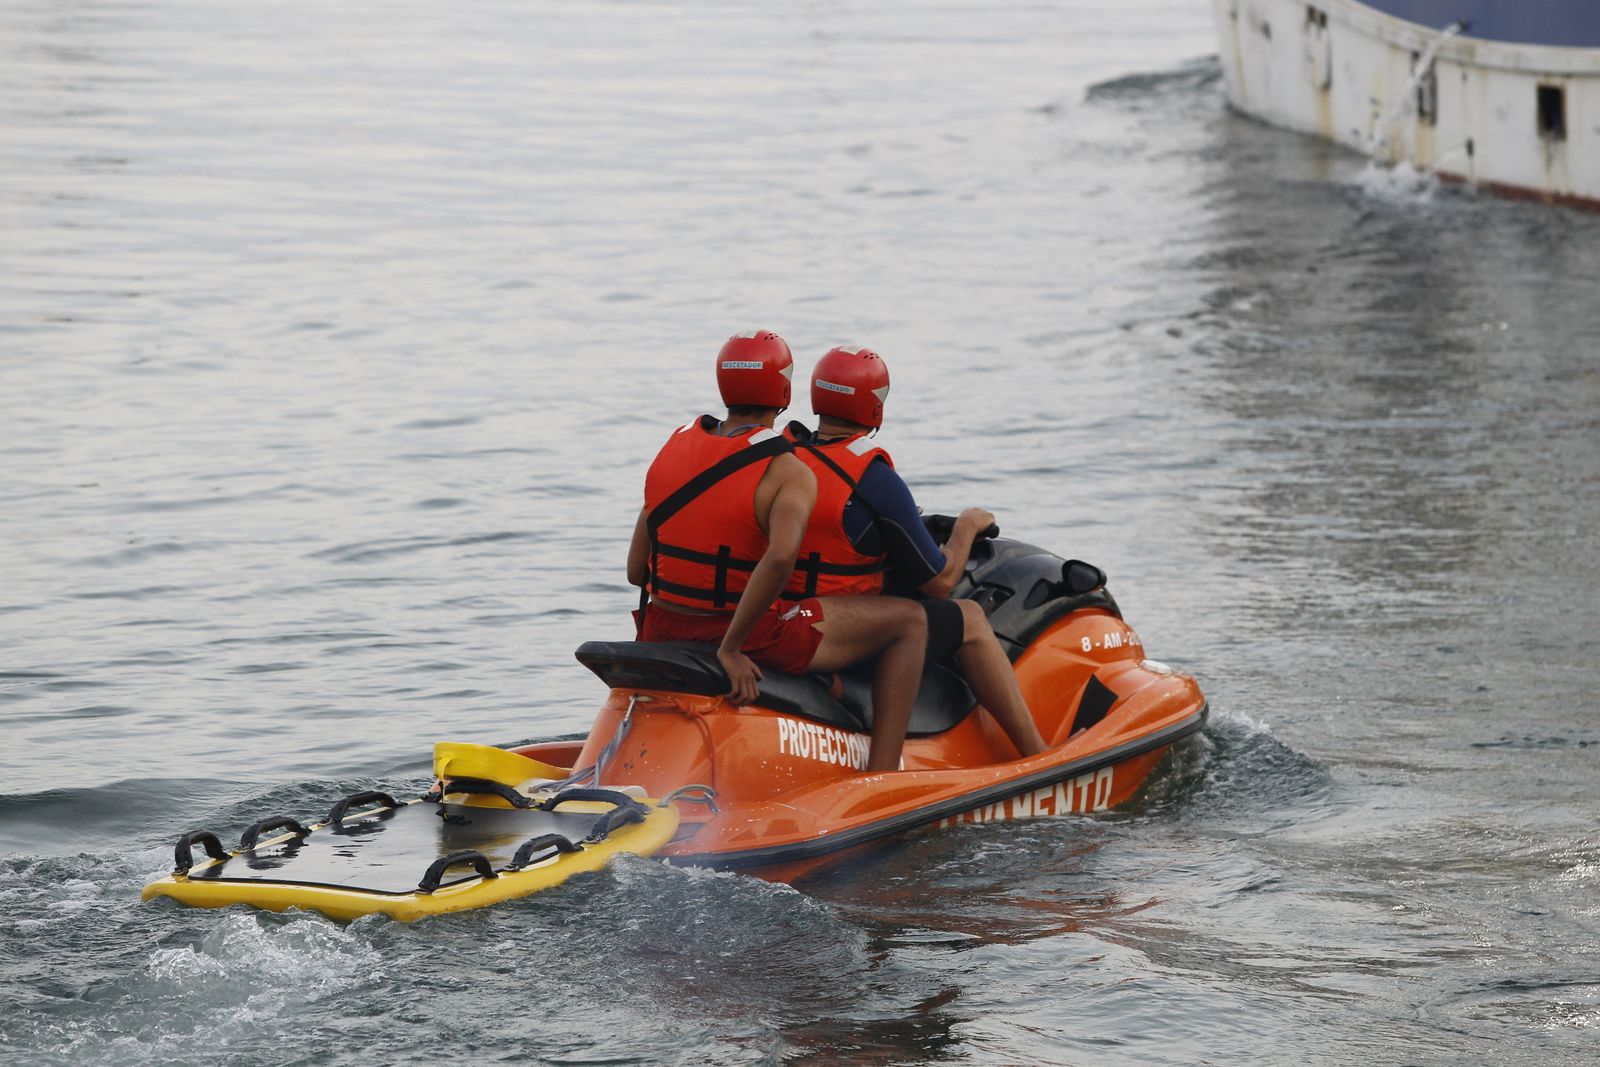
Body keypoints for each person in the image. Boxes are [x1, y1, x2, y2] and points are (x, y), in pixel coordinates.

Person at [625, 330, 938, 773]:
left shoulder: (674, 447)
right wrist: (732, 648)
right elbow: (780, 558)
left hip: (660, 627)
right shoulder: (786, 468)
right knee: (910, 621)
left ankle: (832, 699)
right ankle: (882, 775)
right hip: (736, 635)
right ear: (786, 392)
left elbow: (637, 570)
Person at [782, 344, 1049, 761]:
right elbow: (940, 582)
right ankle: (1038, 756)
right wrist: (966, 527)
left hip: (784, 616)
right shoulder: (872, 476)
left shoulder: (784, 455)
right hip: (840, 627)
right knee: (970, 618)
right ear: (874, 407)